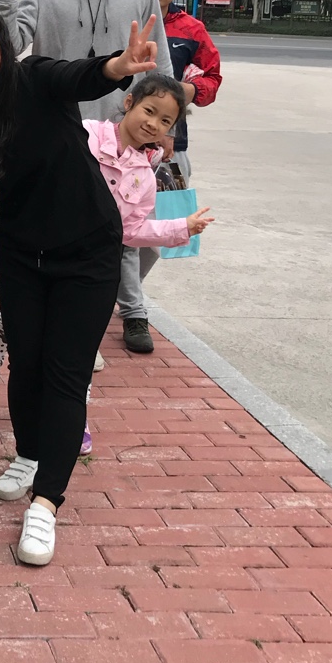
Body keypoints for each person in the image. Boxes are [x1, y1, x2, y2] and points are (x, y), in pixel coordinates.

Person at [0, 0, 157, 567]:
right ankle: (29, 454)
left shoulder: (34, 79)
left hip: (88, 252)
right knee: (26, 363)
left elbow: (81, 75)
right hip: (19, 253)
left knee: (64, 374)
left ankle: (46, 502)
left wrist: (118, 65)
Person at [0, 0, 173, 357]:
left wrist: (169, 125)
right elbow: (10, 46)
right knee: (75, 234)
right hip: (64, 137)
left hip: (126, 132)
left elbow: (159, 59)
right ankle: (91, 322)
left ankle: (120, 310)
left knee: (132, 229)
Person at [78, 73, 215, 449]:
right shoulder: (86, 134)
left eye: (165, 120)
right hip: (48, 254)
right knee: (11, 327)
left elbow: (133, 231)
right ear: (129, 103)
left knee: (78, 347)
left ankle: (75, 415)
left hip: (92, 273)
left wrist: (182, 227)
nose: (154, 123)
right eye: (149, 111)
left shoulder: (145, 177)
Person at [139, 0, 223, 184]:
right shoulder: (119, 20)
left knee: (170, 206)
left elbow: (213, 79)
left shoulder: (192, 30)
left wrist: (191, 90)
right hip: (115, 137)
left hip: (169, 145)